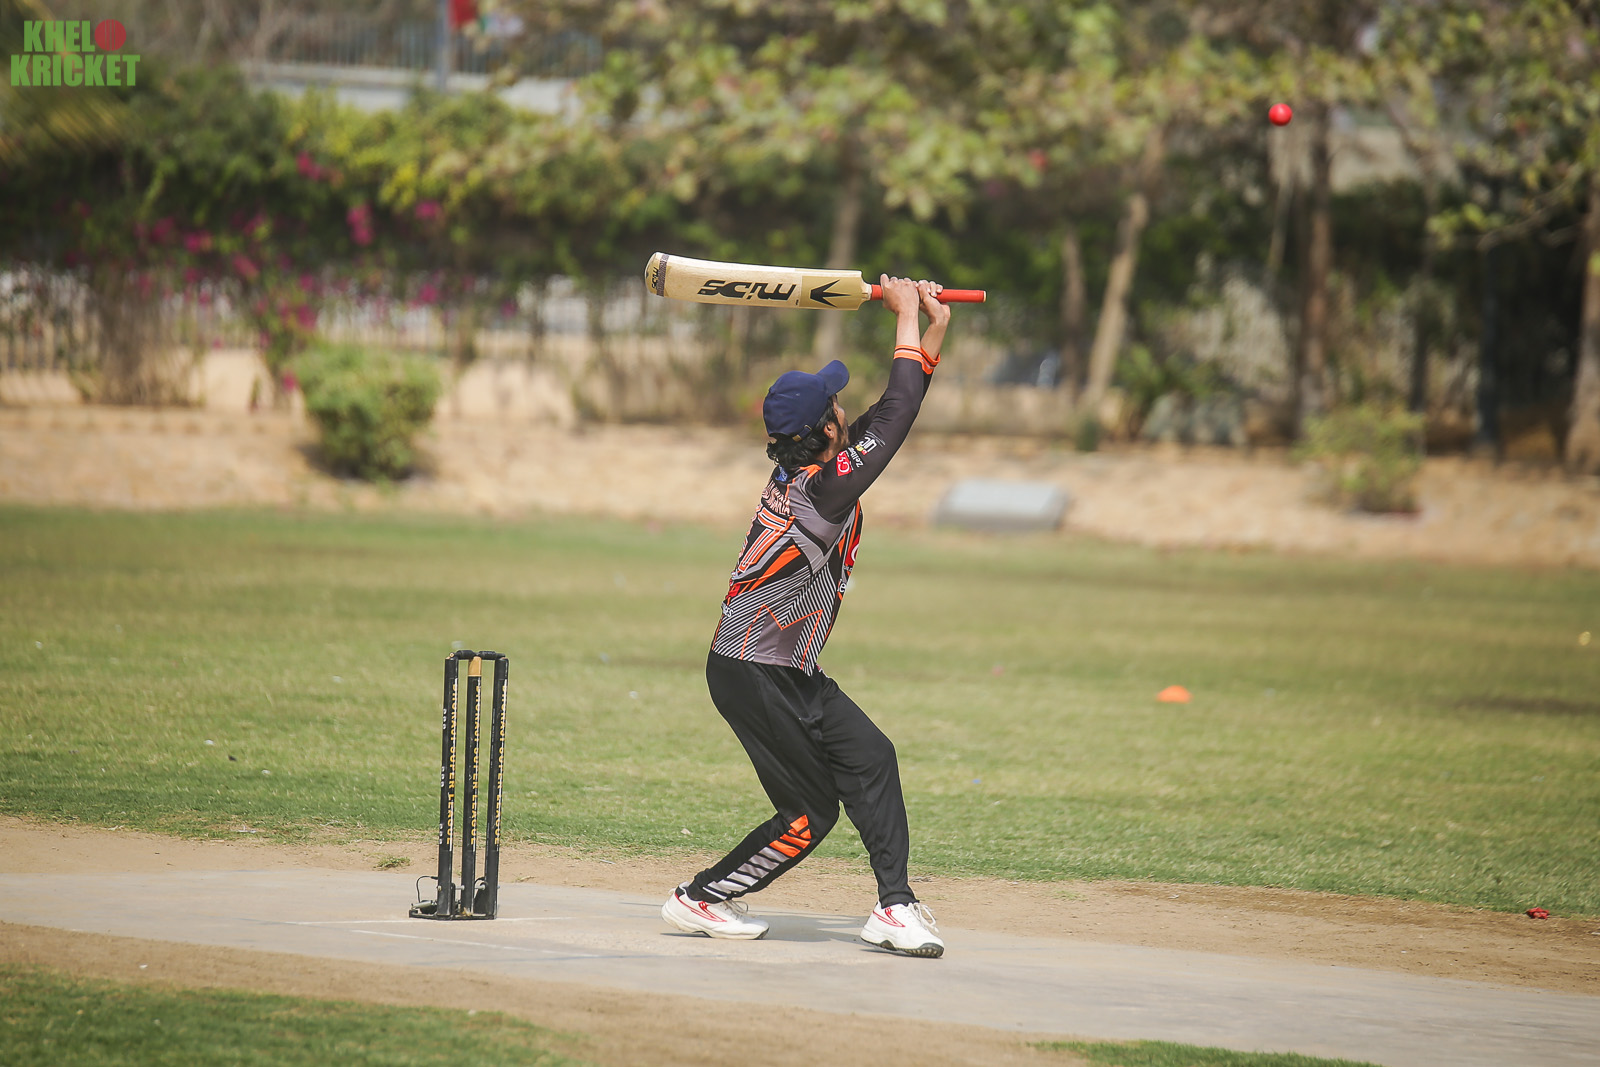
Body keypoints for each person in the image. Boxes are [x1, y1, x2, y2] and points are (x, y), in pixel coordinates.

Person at [660, 275, 952, 958]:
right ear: (824, 429)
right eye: (835, 405)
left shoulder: (820, 473)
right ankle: (700, 897)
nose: (845, 408)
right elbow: (894, 417)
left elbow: (894, 412)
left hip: (782, 667)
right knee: (809, 814)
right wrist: (903, 314)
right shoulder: (819, 494)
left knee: (872, 756)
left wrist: (930, 329)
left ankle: (894, 906)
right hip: (752, 671)